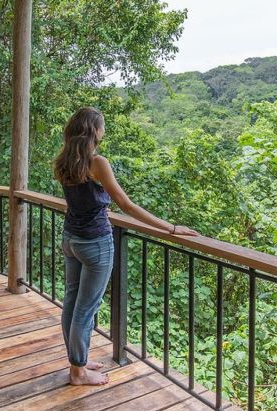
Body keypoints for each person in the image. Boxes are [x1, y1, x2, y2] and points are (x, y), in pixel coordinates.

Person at [54, 107, 199, 386]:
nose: (104, 130)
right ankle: (78, 372)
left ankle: (78, 361)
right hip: (95, 243)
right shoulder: (97, 163)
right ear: (94, 131)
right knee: (85, 309)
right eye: (102, 126)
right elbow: (125, 204)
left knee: (72, 304)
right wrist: (170, 227)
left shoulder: (64, 161)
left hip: (70, 239)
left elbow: (82, 200)